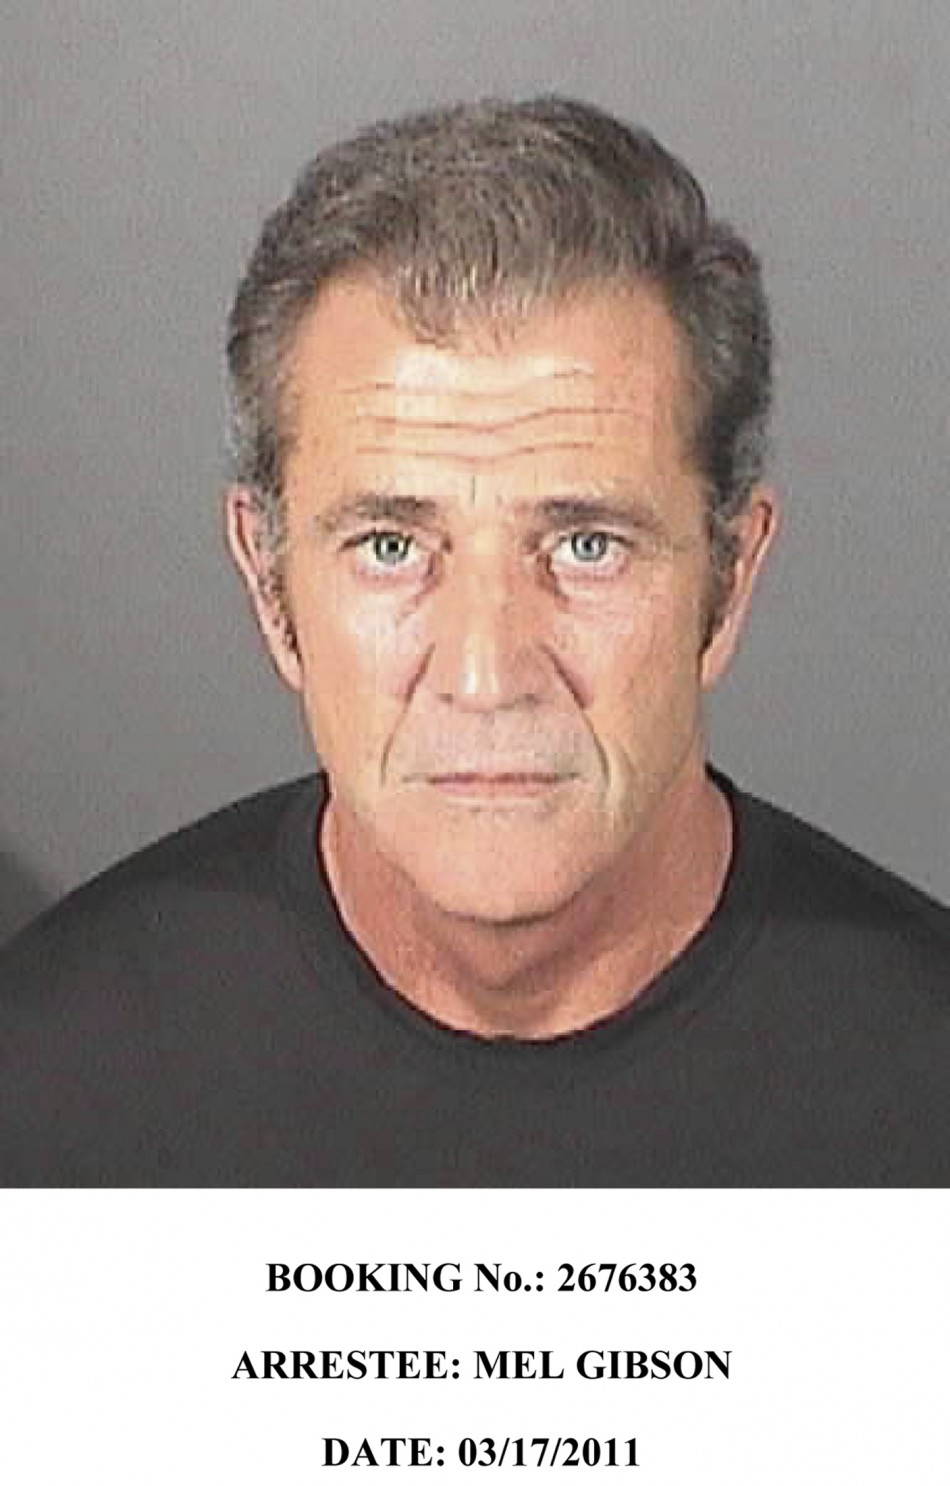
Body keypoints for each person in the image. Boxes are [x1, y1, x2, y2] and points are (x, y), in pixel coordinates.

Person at [2, 96, 948, 1187]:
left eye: (587, 545)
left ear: (729, 578)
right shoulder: (46, 1089)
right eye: (391, 547)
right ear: (268, 580)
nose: (485, 675)